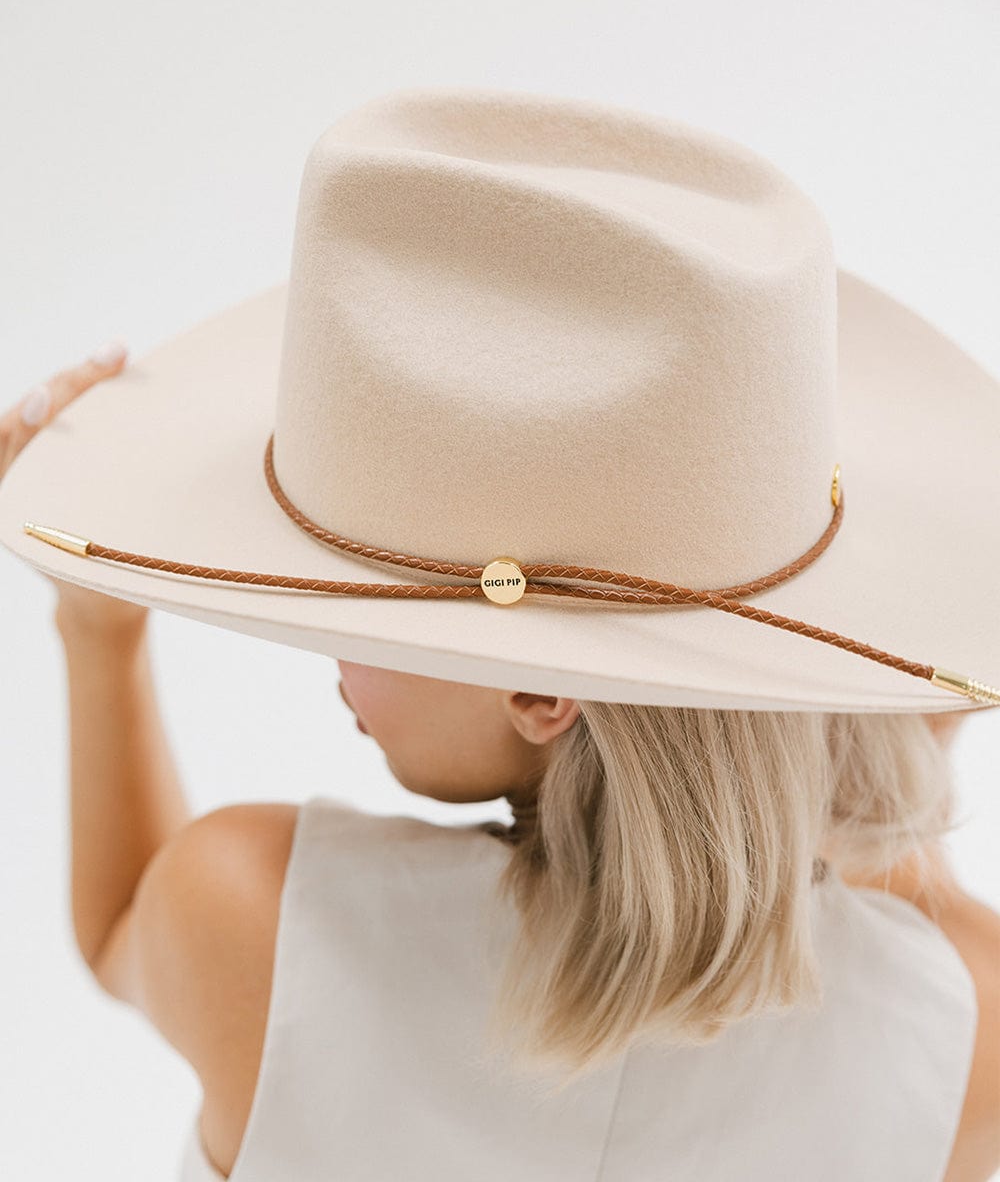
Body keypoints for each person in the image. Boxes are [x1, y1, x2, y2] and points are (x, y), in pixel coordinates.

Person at [1, 89, 998, 1182]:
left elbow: (114, 934)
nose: (332, 660)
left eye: (360, 610)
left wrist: (98, 627)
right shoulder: (964, 1024)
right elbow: (881, 874)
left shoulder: (250, 918)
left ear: (541, 697)